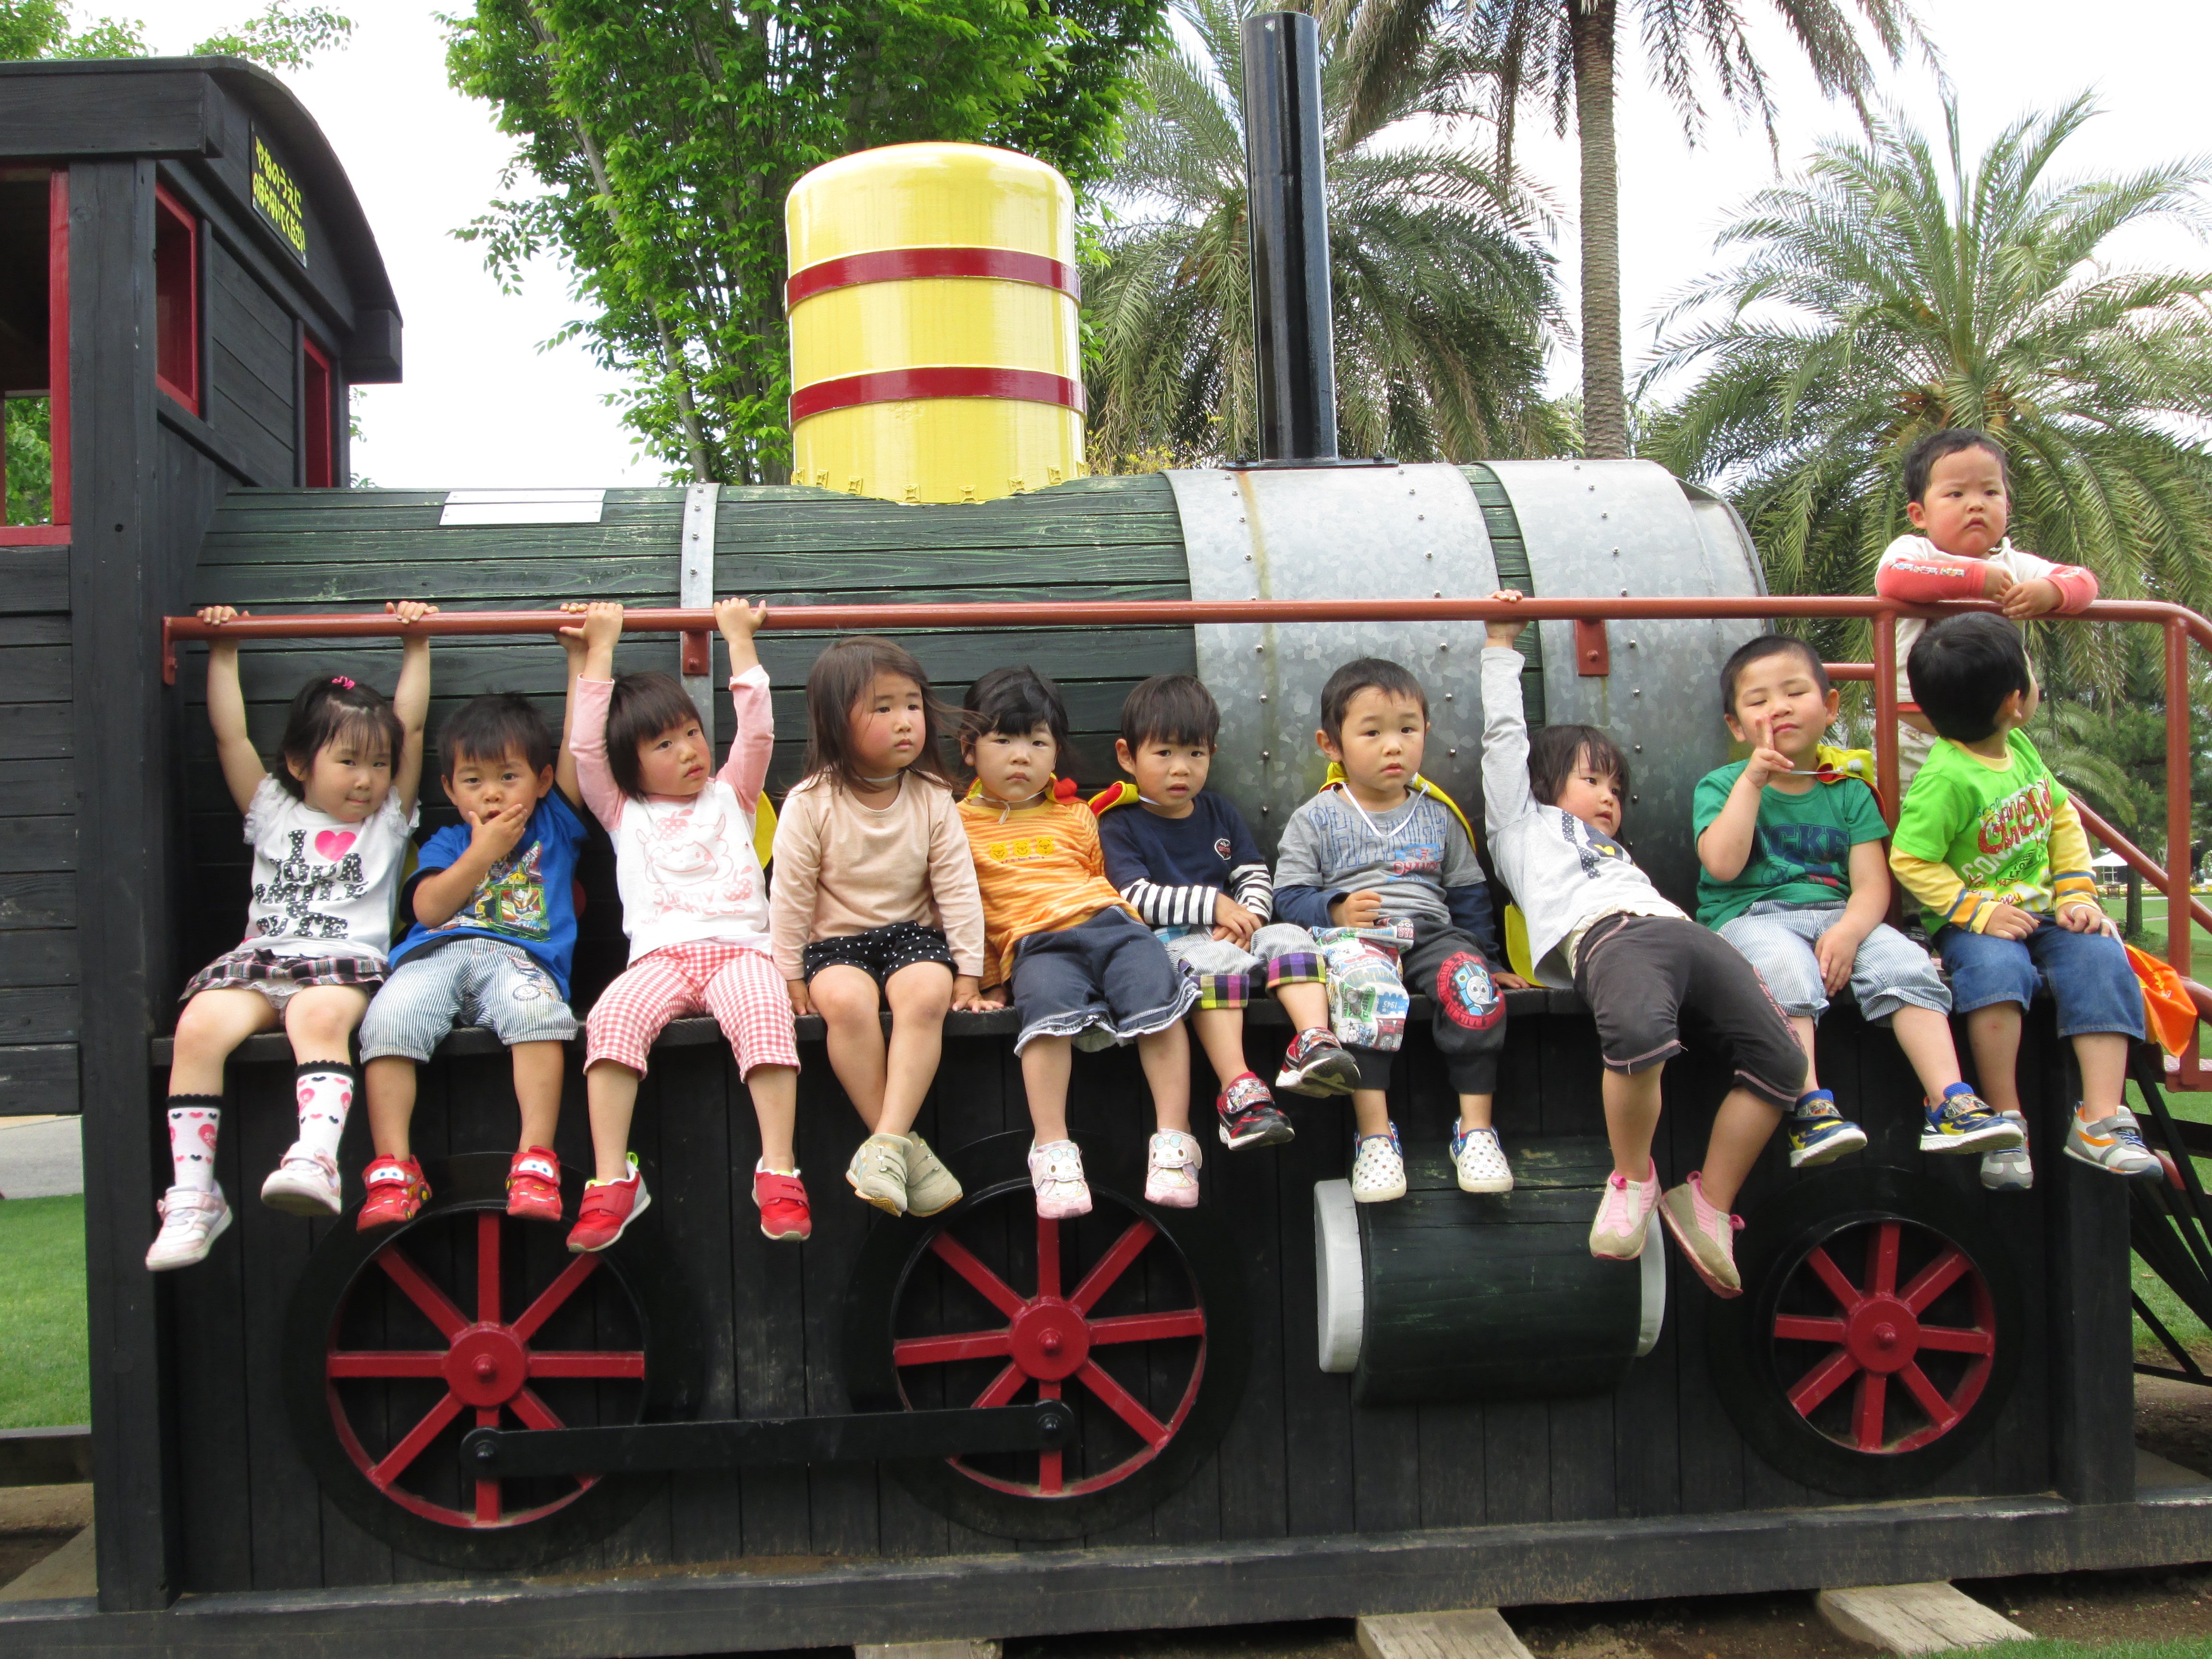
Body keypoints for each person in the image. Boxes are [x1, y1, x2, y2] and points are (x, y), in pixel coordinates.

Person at [1481, 591, 1806, 1298]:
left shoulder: (1619, 853)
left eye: (1617, 787)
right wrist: (1501, 646)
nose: (1609, 797)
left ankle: (1708, 1202)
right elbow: (1503, 739)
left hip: (1680, 929)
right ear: (1542, 785)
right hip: (1608, 935)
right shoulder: (1521, 827)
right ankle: (1632, 1179)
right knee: (1636, 1035)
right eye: (1591, 780)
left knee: (1784, 1059)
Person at [146, 601, 435, 1271]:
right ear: (300, 764)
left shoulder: (387, 820)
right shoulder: (272, 810)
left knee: (317, 1017)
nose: (366, 779)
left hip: (340, 966)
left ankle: (316, 1159)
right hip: (259, 964)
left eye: (379, 764)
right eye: (348, 761)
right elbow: (231, 739)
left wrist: (417, 643)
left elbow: (413, 726)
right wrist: (224, 650)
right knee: (197, 1029)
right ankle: (194, 1195)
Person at [1694, 634, 2019, 1177]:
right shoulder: (1721, 786)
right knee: (1784, 969)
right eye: (1759, 701)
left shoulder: (1848, 790)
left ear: (1830, 707)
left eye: (1795, 692)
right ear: (1737, 725)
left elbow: (1871, 886)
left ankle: (1949, 1100)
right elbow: (1723, 865)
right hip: (1752, 919)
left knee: (1906, 962)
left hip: (1838, 915)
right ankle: (1810, 1108)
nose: (1779, 707)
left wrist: (1848, 932)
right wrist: (1753, 781)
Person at [565, 597, 807, 1252]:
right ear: (629, 764)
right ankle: (612, 1179)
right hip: (661, 960)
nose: (689, 752)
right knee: (612, 1019)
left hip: (741, 953)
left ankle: (779, 1169)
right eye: (664, 745)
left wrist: (739, 640)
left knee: (766, 1016)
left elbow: (757, 733)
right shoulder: (622, 809)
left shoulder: (732, 794)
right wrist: (600, 650)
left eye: (693, 734)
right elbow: (585, 747)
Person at [1890, 612, 2159, 1184]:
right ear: (2016, 700)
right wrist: (1980, 912)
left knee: (2102, 955)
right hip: (1976, 920)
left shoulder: (2020, 748)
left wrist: (2078, 891)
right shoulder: (1946, 779)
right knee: (1997, 974)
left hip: (2047, 910)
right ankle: (2005, 1118)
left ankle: (2099, 1119)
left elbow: (2060, 814)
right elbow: (1911, 859)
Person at [1273, 657, 1525, 1203]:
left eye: (1408, 730)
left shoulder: (1439, 816)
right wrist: (1336, 911)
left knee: (1473, 990)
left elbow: (1468, 895)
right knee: (1368, 996)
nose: (1394, 746)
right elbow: (1286, 897)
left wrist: (1489, 960)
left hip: (1432, 935)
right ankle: (1376, 1137)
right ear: (1331, 745)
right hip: (1358, 942)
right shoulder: (1315, 818)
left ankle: (1476, 1131)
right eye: (1373, 733)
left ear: (1425, 733)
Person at [956, 666, 1200, 1218]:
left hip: (1111, 925)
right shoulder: (956, 823)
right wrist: (989, 981)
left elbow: (1098, 875)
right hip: (1036, 943)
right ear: (969, 750)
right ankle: (1053, 1150)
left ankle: (1174, 1140)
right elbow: (965, 906)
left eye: (1038, 742)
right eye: (1004, 740)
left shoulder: (1076, 816)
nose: (1022, 756)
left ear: (1056, 752)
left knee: (1158, 995)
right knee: (1044, 1012)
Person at [354, 668, 592, 1230]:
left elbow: (578, 740)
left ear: (542, 780)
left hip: (518, 961)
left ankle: (535, 1161)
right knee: (386, 1020)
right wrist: (481, 851)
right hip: (434, 956)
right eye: (473, 780)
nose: (492, 793)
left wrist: (585, 657)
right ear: (449, 789)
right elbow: (428, 910)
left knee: (539, 1016)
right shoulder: (449, 841)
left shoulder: (555, 826)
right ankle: (393, 1169)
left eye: (509, 776)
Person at [770, 636, 989, 1218]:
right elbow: (790, 898)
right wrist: (791, 976)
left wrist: (969, 971)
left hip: (911, 935)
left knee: (928, 993)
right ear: (834, 722)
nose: (906, 721)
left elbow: (958, 889)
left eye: (913, 705)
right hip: (835, 943)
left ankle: (885, 1145)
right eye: (883, 707)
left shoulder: (933, 796)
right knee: (845, 1003)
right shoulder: (809, 802)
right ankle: (899, 1147)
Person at [1094, 674, 1360, 1152]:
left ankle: (1314, 1044)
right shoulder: (1120, 823)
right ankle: (1237, 1090)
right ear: (1127, 756)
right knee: (1215, 961)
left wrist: (1251, 916)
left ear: (1212, 754)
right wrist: (1214, 905)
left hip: (1236, 933)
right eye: (1164, 753)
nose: (1181, 768)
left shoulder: (1218, 812)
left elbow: (1253, 873)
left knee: (1292, 937)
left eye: (1196, 753)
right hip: (1174, 944)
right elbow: (1134, 896)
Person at [1874, 429, 2097, 790]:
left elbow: (2083, 580)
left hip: (1997, 735)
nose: (1976, 504)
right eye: (1956, 494)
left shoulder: (2013, 563)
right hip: (1916, 739)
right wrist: (1975, 580)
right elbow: (1892, 579)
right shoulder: (1915, 552)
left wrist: (2051, 591)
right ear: (1919, 514)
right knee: (1912, 817)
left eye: (1991, 492)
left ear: (2008, 506)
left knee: (1994, 819)